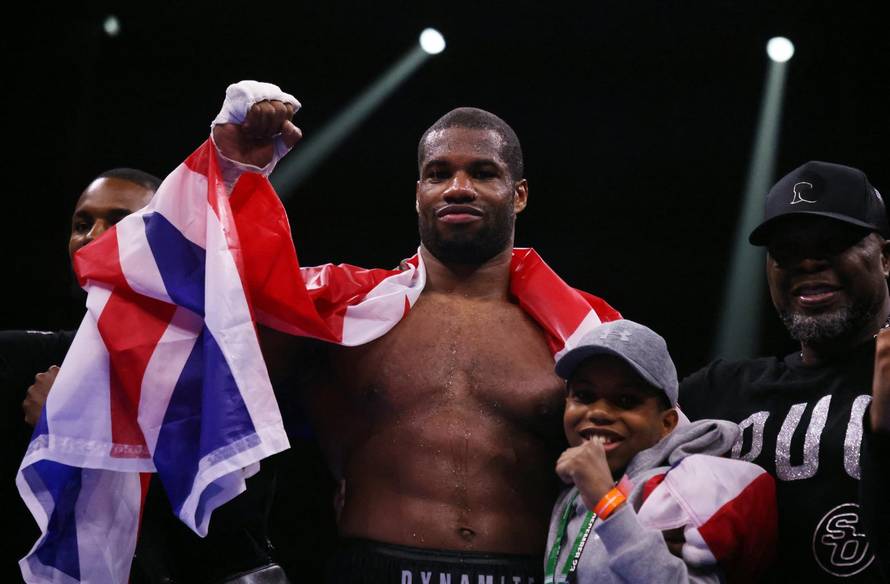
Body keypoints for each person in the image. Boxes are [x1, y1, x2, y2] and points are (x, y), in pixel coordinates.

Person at [206, 81, 622, 583]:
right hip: (373, 568)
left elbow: (655, 454)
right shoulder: (343, 309)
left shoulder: (586, 328)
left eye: (483, 173)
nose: (458, 188)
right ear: (418, 193)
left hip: (529, 571)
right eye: (438, 174)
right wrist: (234, 170)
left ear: (519, 195)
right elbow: (214, 314)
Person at [680, 160, 890, 582]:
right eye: (786, 251)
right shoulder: (715, 391)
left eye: (832, 243)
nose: (807, 263)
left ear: (885, 257)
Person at [548, 319, 776, 583]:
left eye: (626, 400)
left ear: (667, 423)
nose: (599, 412)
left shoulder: (678, 491)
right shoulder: (572, 487)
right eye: (584, 396)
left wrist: (608, 504)